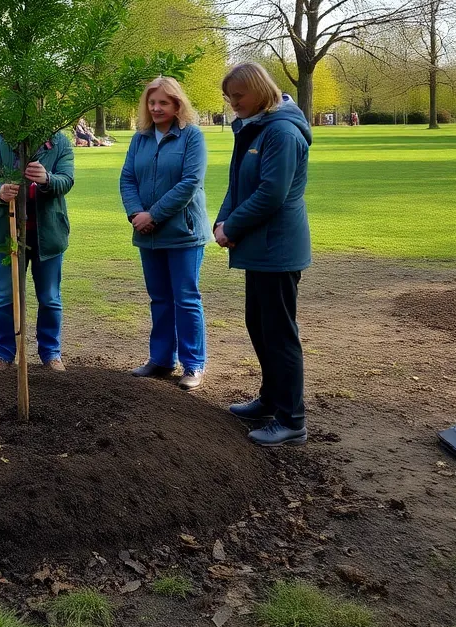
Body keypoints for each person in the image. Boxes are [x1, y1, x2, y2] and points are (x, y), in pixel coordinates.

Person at [214, 62, 312, 447]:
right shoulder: (257, 127)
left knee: (279, 334)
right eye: (229, 97)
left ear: (259, 90)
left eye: (238, 96)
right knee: (259, 325)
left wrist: (232, 227)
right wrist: (223, 221)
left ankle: (292, 419)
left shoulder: (282, 133)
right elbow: (239, 183)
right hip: (260, 249)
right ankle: (271, 401)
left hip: (278, 249)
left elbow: (271, 194)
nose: (232, 103)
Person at [120, 77, 210, 389]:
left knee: (185, 298)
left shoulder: (192, 137)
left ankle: (193, 365)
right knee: (159, 298)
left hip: (183, 232)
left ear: (177, 105)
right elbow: (127, 178)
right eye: (152, 102)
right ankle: (160, 360)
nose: (156, 108)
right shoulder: (140, 139)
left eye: (164, 103)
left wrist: (153, 215)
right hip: (147, 233)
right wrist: (136, 214)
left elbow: (189, 183)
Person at [0, 131, 75, 372]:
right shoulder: (1, 141)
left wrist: (47, 179)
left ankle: (51, 353)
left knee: (50, 298)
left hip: (49, 235)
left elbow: (67, 179)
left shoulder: (59, 141)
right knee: (6, 297)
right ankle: (4, 354)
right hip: (9, 233)